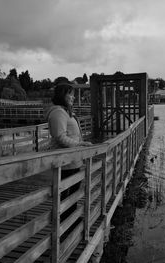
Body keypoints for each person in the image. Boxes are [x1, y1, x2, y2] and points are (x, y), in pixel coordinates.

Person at [46, 82, 92, 239]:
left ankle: (71, 222)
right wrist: (79, 145)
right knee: (66, 195)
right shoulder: (58, 113)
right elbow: (60, 137)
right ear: (62, 96)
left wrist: (79, 145)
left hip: (73, 161)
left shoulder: (65, 112)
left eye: (73, 94)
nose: (73, 97)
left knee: (73, 192)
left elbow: (71, 134)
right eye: (70, 94)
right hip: (64, 162)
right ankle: (64, 229)